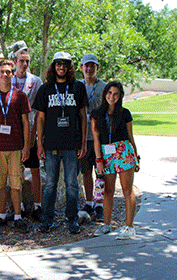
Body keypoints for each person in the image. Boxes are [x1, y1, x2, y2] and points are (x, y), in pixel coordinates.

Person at [34, 51, 88, 234]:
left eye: (65, 64)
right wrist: (39, 144)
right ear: (53, 66)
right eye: (58, 64)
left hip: (72, 145)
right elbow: (39, 118)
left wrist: (83, 143)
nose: (61, 67)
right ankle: (47, 219)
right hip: (51, 145)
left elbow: (83, 117)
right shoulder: (45, 89)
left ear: (69, 67)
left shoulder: (78, 87)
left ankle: (72, 219)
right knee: (50, 184)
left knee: (72, 184)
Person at [0, 59, 31, 234]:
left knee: (16, 183)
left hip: (16, 147)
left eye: (8, 72)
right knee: (0, 183)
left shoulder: (20, 95)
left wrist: (26, 146)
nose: (5, 74)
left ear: (13, 74)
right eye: (2, 71)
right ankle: (1, 216)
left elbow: (26, 122)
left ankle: (18, 217)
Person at [91, 81, 140, 240]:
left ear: (120, 96)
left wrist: (136, 156)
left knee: (127, 189)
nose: (112, 96)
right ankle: (106, 224)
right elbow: (96, 139)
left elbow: (130, 137)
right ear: (105, 94)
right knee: (108, 190)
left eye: (116, 94)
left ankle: (129, 227)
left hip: (124, 152)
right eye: (109, 93)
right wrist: (98, 159)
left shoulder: (125, 113)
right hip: (106, 154)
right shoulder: (96, 114)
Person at [12, 43, 43, 221]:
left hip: (30, 129)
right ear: (15, 62)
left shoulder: (35, 81)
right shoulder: (9, 79)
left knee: (35, 168)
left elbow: (39, 110)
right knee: (16, 170)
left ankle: (38, 206)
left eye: (27, 61)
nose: (25, 64)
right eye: (21, 61)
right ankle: (20, 207)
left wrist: (33, 135)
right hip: (13, 132)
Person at [78, 54, 107, 223]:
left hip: (100, 138)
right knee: (86, 172)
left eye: (92, 66)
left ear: (98, 67)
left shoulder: (104, 88)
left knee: (100, 173)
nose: (89, 69)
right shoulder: (77, 86)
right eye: (86, 66)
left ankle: (99, 203)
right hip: (83, 138)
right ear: (81, 68)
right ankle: (88, 202)